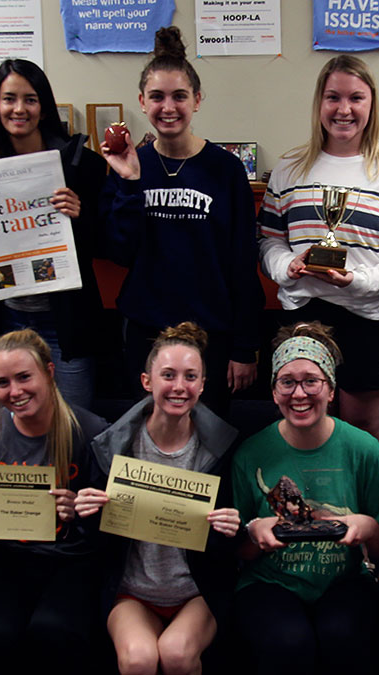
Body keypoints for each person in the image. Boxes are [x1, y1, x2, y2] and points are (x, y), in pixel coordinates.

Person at [259, 55, 379, 444]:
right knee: (301, 429)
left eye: (356, 98)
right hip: (302, 315)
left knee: (363, 435)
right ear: (319, 103)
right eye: (332, 97)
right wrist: (287, 265)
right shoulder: (290, 168)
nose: (343, 109)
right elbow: (268, 240)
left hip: (370, 320)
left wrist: (356, 280)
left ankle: (360, 508)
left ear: (371, 104)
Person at [101, 26, 263, 414]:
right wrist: (127, 184)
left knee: (209, 445)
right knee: (149, 442)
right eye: (157, 97)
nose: (168, 107)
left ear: (198, 100)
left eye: (179, 96)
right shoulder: (129, 165)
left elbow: (243, 262)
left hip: (212, 335)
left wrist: (245, 346)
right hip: (147, 332)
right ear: (142, 101)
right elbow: (120, 251)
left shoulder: (225, 169)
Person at [74, 322, 241, 675]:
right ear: (147, 381)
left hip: (196, 591)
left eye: (190, 376)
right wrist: (87, 514)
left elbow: (231, 549)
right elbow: (96, 543)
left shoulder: (224, 447)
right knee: (139, 659)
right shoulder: (112, 446)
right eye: (168, 375)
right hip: (132, 590)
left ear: (203, 385)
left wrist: (230, 528)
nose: (179, 386)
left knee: (176, 654)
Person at [0, 329, 108, 669]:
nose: (14, 391)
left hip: (71, 560)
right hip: (5, 558)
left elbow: (111, 530)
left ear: (49, 372)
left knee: (53, 630)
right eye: (2, 382)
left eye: (24, 377)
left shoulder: (91, 431)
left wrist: (80, 511)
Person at [233, 322, 379, 674]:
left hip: (346, 580)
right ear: (274, 391)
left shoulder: (364, 450)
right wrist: (255, 533)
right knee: (288, 643)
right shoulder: (250, 453)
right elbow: (237, 554)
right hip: (269, 582)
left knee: (342, 634)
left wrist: (366, 526)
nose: (299, 393)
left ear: (332, 389)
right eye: (287, 382)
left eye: (311, 381)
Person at [0, 58, 107, 411]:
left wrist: (79, 216)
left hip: (65, 324)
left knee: (74, 426)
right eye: (9, 99)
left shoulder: (80, 166)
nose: (19, 109)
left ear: (44, 106)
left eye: (30, 99)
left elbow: (105, 245)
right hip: (5, 320)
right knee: (14, 429)